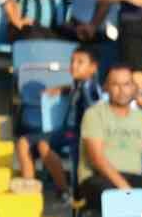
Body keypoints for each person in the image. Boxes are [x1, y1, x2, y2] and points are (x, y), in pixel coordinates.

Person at [76, 64, 142, 211]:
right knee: (116, 200)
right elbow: (97, 159)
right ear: (106, 87)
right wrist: (125, 189)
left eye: (126, 84)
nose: (122, 90)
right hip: (98, 178)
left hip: (132, 177)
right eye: (115, 84)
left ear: (134, 88)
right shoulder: (94, 114)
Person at [12, 43, 102, 199]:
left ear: (93, 68)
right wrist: (61, 88)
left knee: (43, 145)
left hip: (79, 135)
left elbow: (96, 106)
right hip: (66, 132)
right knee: (23, 142)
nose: (74, 65)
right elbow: (73, 89)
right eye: (72, 61)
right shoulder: (78, 84)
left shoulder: (92, 89)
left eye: (80, 62)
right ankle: (30, 187)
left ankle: (64, 190)